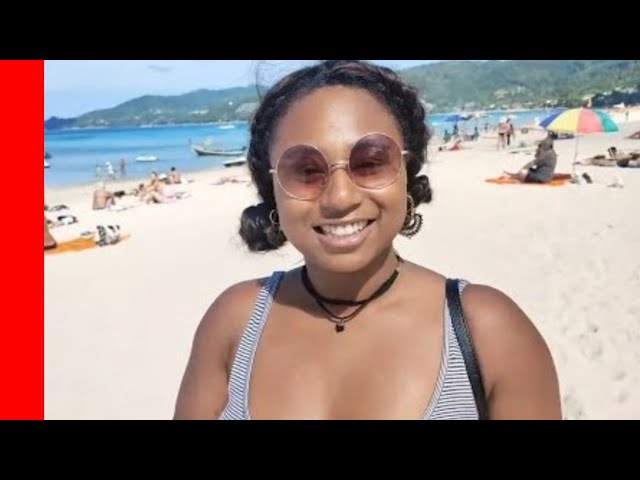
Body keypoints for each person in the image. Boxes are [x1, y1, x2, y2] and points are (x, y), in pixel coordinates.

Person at [174, 60, 561, 420]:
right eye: (306, 171)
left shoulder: (489, 332)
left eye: (370, 163)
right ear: (271, 190)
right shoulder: (233, 323)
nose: (341, 198)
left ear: (407, 174)